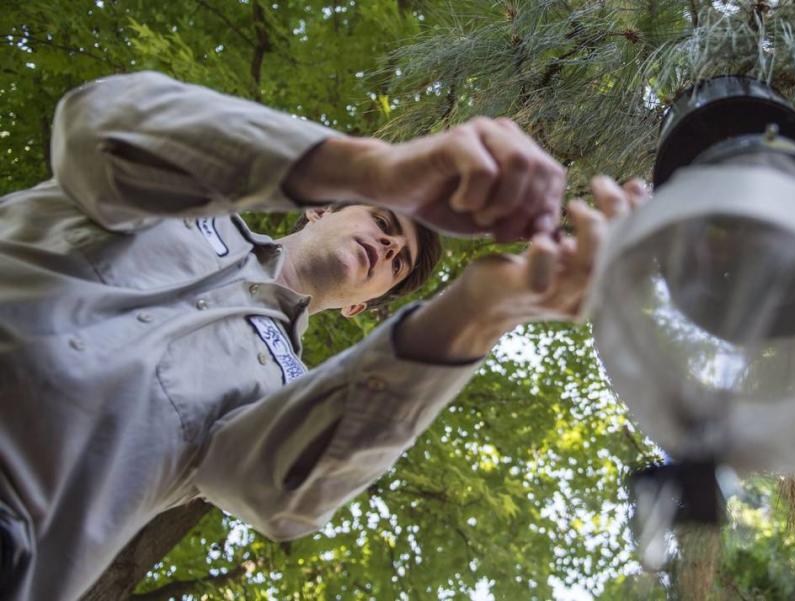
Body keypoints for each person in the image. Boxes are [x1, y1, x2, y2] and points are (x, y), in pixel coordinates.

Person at [0, 71, 649, 600]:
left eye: (398, 264)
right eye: (384, 219)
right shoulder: (183, 189)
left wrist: (482, 309)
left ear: (363, 309)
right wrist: (380, 168)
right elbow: (93, 130)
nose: (392, 243)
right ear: (322, 204)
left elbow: (267, 491)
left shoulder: (280, 388)